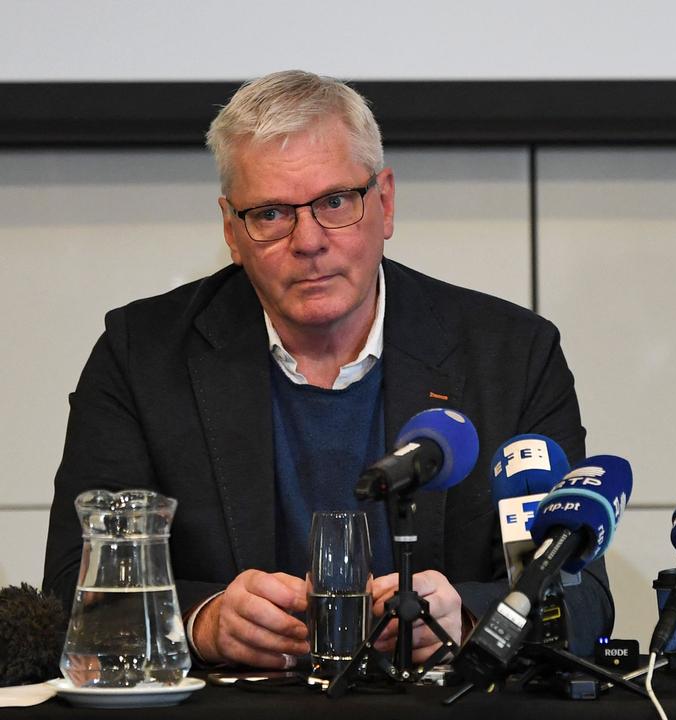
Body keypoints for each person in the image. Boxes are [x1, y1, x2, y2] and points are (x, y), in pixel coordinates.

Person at [42, 70, 611, 669]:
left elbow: (580, 597)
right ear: (232, 231)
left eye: (335, 202)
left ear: (384, 203)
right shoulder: (142, 357)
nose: (308, 240)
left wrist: (466, 618)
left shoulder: (511, 356)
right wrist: (202, 621)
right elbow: (68, 590)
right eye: (270, 214)